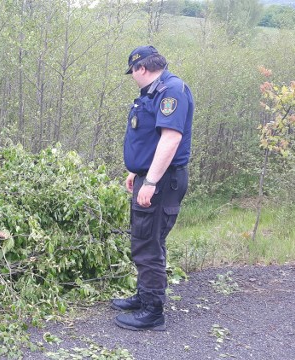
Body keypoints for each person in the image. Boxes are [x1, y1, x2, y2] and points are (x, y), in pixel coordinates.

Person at [112, 45, 194, 331]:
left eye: (132, 72)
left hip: (162, 181)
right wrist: (137, 171)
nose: (132, 77)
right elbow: (149, 138)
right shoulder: (155, 92)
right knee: (144, 239)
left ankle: (152, 312)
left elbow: (170, 140)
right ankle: (143, 296)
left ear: (141, 68)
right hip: (151, 177)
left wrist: (151, 180)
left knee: (148, 244)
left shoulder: (171, 91)